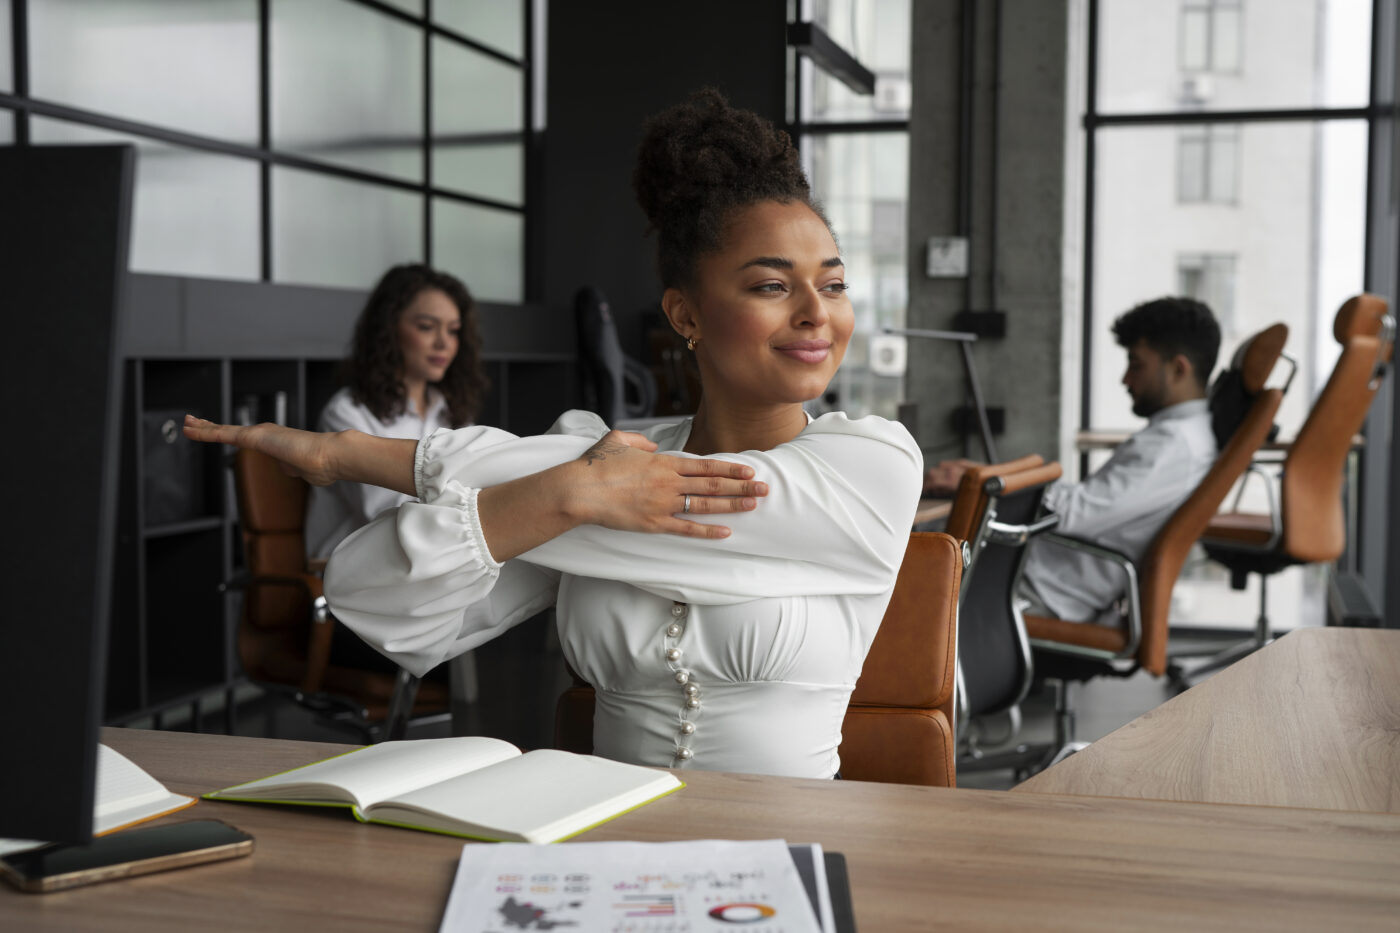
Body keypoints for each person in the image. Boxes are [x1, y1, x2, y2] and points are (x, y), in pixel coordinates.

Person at [184, 89, 923, 780]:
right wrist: (569, 492)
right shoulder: (593, 457)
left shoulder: (871, 465)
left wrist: (357, 456)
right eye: (771, 285)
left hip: (781, 864)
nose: (815, 313)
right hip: (602, 849)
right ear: (685, 314)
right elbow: (366, 591)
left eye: (832, 283)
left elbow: (700, 500)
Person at [927, 297, 1221, 622]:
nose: (1126, 379)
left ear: (1178, 368)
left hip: (1040, 588)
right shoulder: (1187, 436)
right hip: (1042, 574)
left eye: (1137, 365)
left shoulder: (1174, 445)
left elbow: (1074, 513)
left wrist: (985, 481)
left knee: (907, 563)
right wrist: (984, 477)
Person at [304, 264, 488, 561]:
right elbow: (389, 512)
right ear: (389, 330)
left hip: (430, 560)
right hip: (356, 572)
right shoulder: (347, 413)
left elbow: (479, 485)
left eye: (453, 331)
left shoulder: (450, 411)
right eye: (427, 327)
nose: (444, 343)